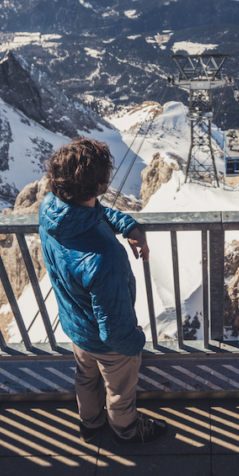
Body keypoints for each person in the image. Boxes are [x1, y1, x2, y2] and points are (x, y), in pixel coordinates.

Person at [38, 137, 168, 445]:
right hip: (105, 340)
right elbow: (114, 330)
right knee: (119, 388)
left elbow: (92, 213)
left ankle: (91, 424)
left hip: (75, 324)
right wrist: (135, 342)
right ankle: (127, 430)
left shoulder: (51, 209)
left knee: (86, 376)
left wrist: (127, 224)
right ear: (99, 186)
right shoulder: (103, 258)